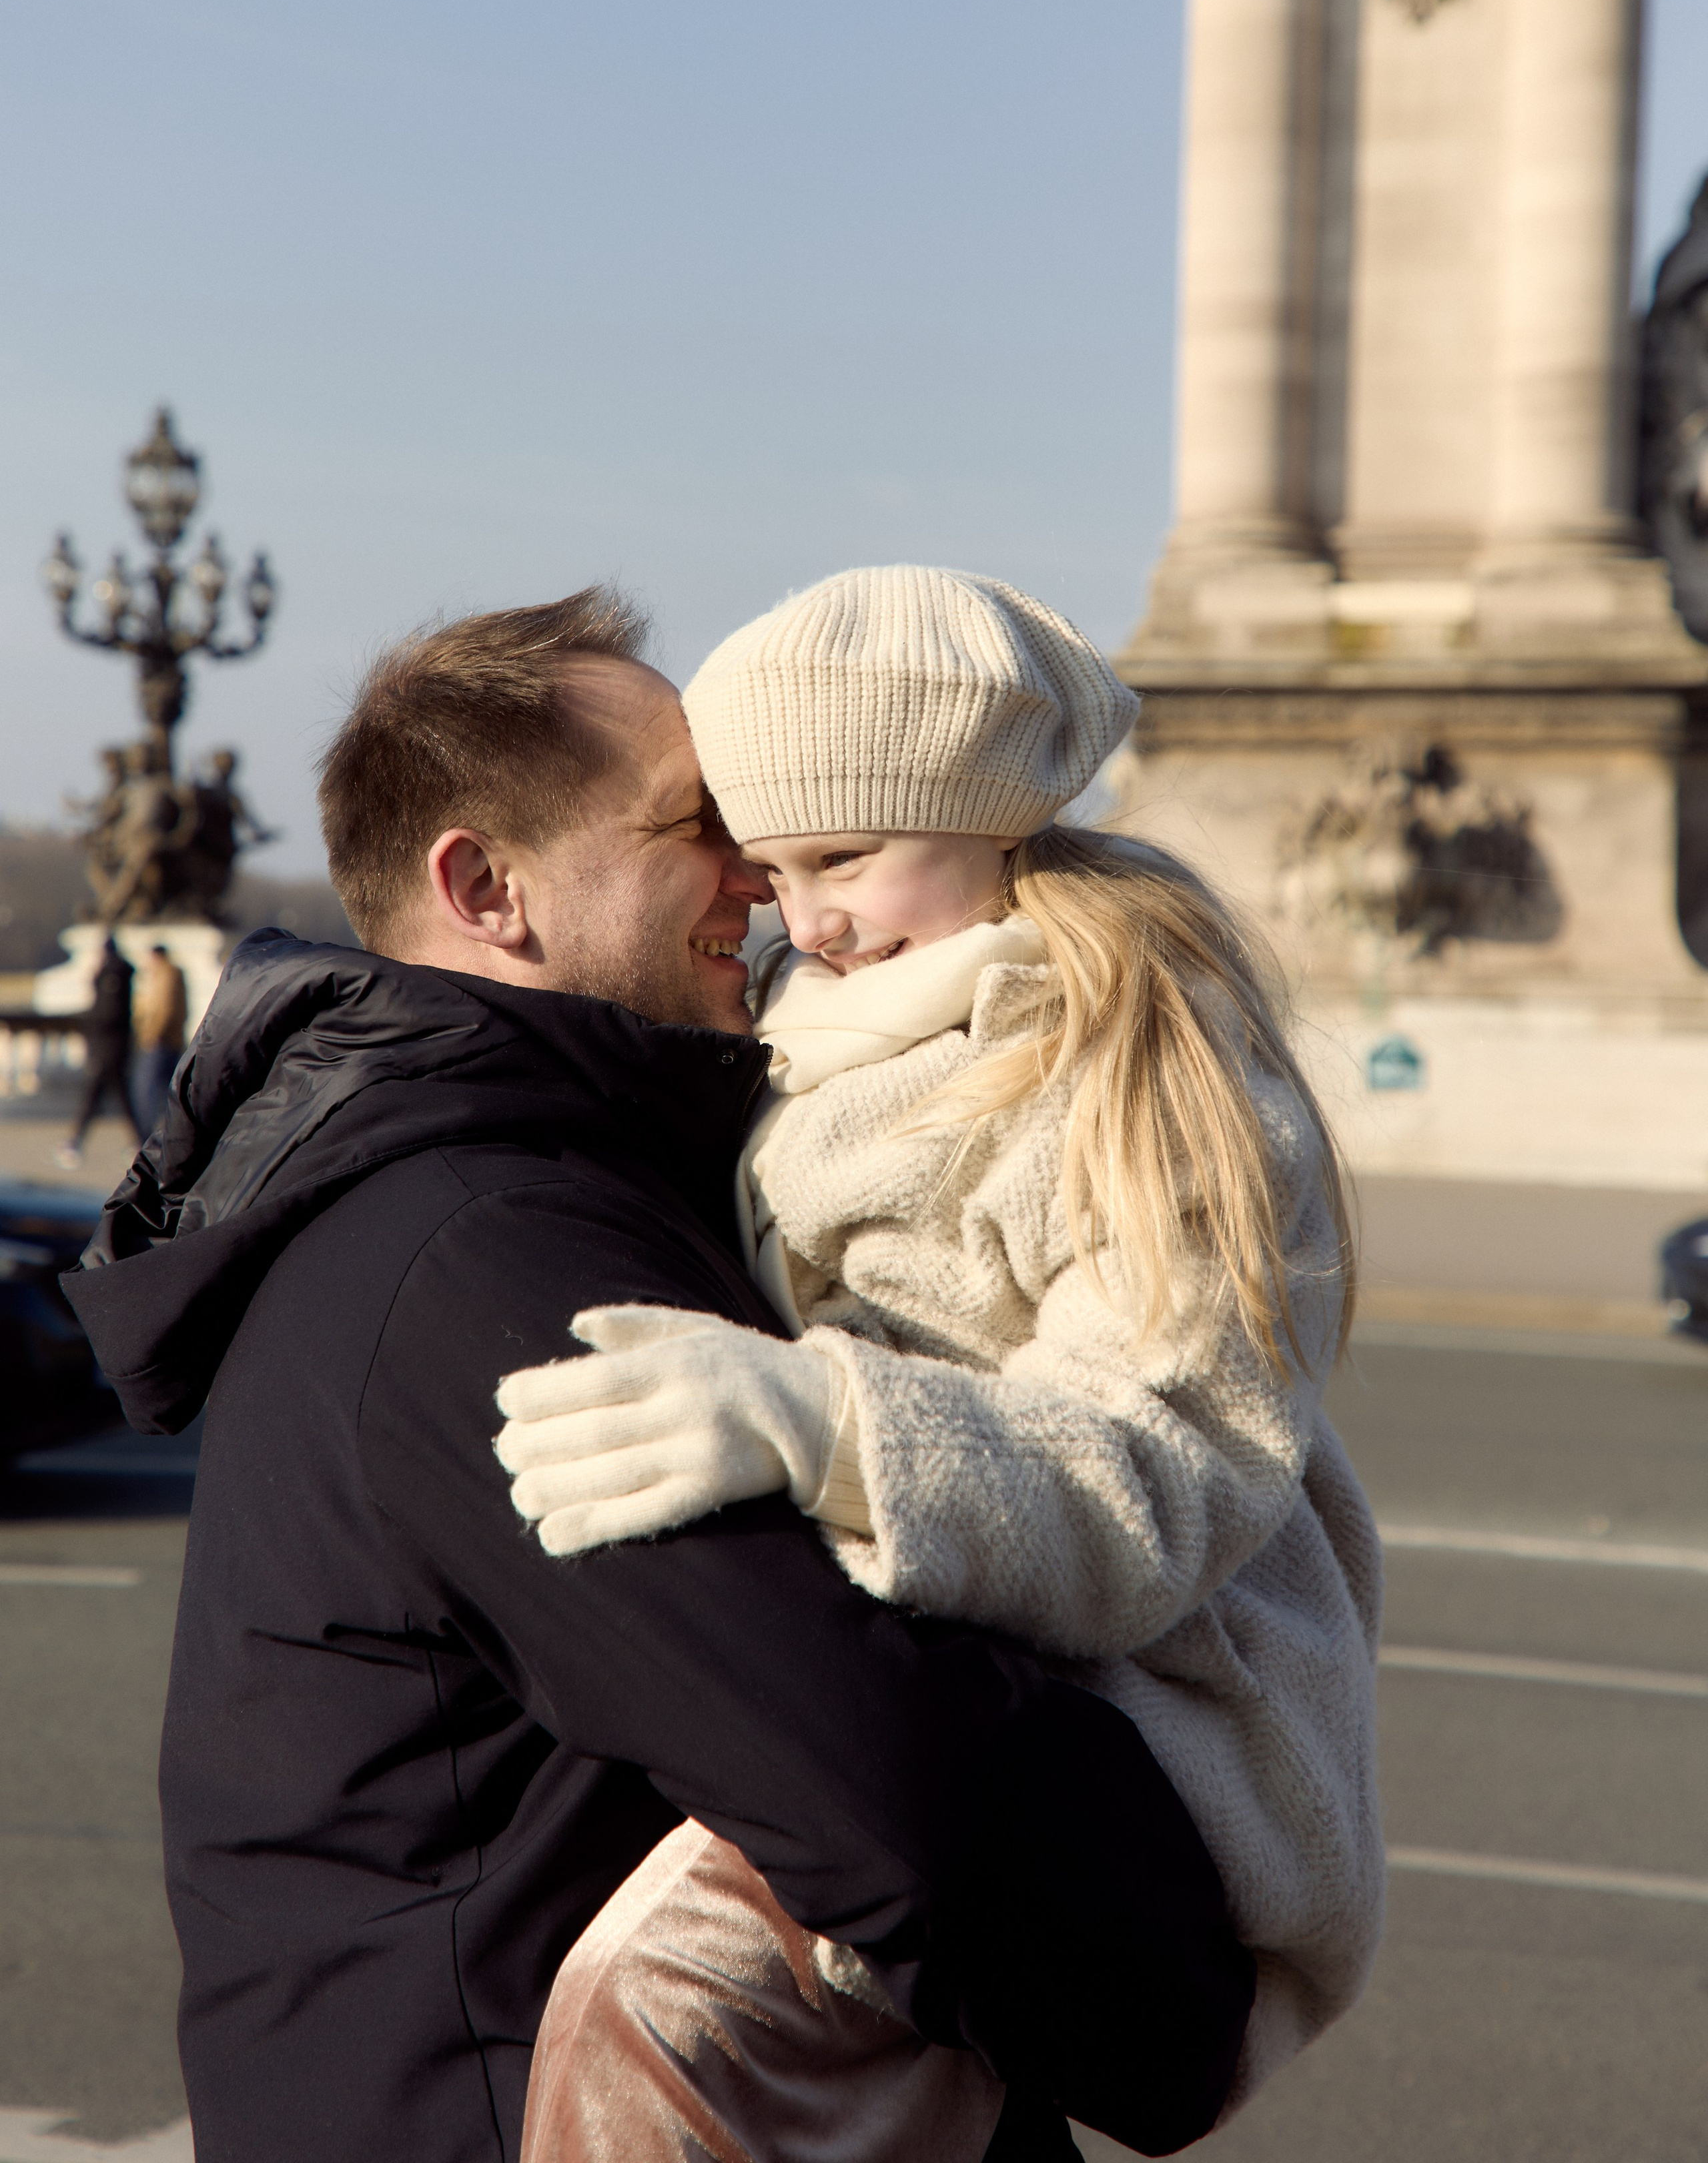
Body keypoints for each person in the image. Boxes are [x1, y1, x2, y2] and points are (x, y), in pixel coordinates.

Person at [62, 591, 1254, 2163]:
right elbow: (881, 1778)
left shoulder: (497, 1188)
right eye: (698, 828)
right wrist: (1179, 1981)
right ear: (486, 884)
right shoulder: (489, 1250)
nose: (759, 879)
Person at [496, 566, 1384, 2157]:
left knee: (652, 2007)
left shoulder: (1137, 1059)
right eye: (770, 868)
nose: (810, 915)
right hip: (926, 1661)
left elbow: (1165, 1467)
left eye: (842, 854)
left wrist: (820, 1422)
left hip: (1144, 1700)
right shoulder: (825, 1007)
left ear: (989, 813)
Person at [55, 934, 142, 1167]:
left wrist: (88, 1025)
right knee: (120, 1100)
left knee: (96, 1099)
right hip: (115, 1047)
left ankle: (74, 1144)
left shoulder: (110, 976)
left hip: (107, 1049)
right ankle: (139, 1143)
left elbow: (106, 1014)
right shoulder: (119, 975)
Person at [130, 942, 188, 1136]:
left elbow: (164, 1008)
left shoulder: (165, 975)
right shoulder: (169, 974)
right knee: (169, 1092)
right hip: (169, 1040)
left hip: (159, 1042)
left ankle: (146, 1137)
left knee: (145, 1090)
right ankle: (170, 1135)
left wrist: (152, 1035)